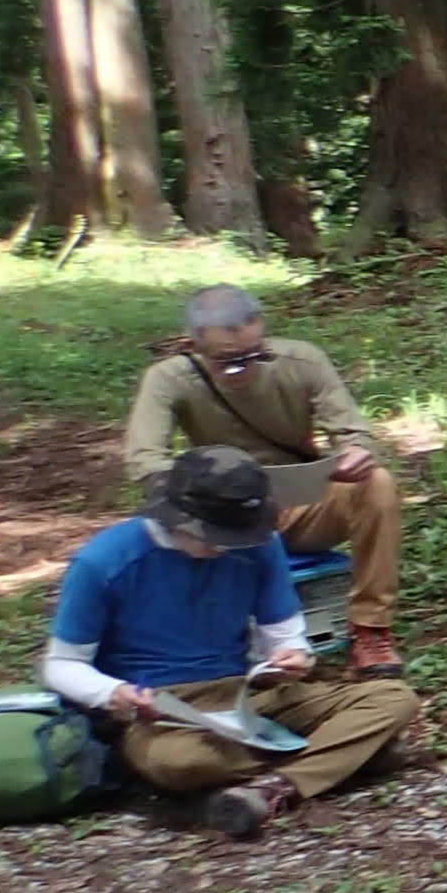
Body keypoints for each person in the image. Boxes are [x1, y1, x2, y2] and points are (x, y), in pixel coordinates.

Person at [42, 447, 428, 839]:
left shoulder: (258, 544)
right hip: (161, 712)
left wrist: (291, 655)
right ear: (176, 518)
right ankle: (342, 758)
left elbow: (283, 632)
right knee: (180, 763)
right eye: (215, 536)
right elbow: (61, 665)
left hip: (245, 696)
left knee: (393, 697)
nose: (225, 547)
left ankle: (271, 787)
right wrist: (112, 693)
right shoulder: (102, 562)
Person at [120, 284, 410, 679]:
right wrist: (201, 491)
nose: (244, 368)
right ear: (193, 347)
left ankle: (370, 628)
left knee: (377, 484)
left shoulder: (301, 362)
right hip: (223, 515)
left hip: (297, 505)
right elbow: (145, 461)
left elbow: (353, 432)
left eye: (255, 355)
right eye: (228, 362)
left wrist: (355, 452)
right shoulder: (170, 379)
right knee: (157, 526)